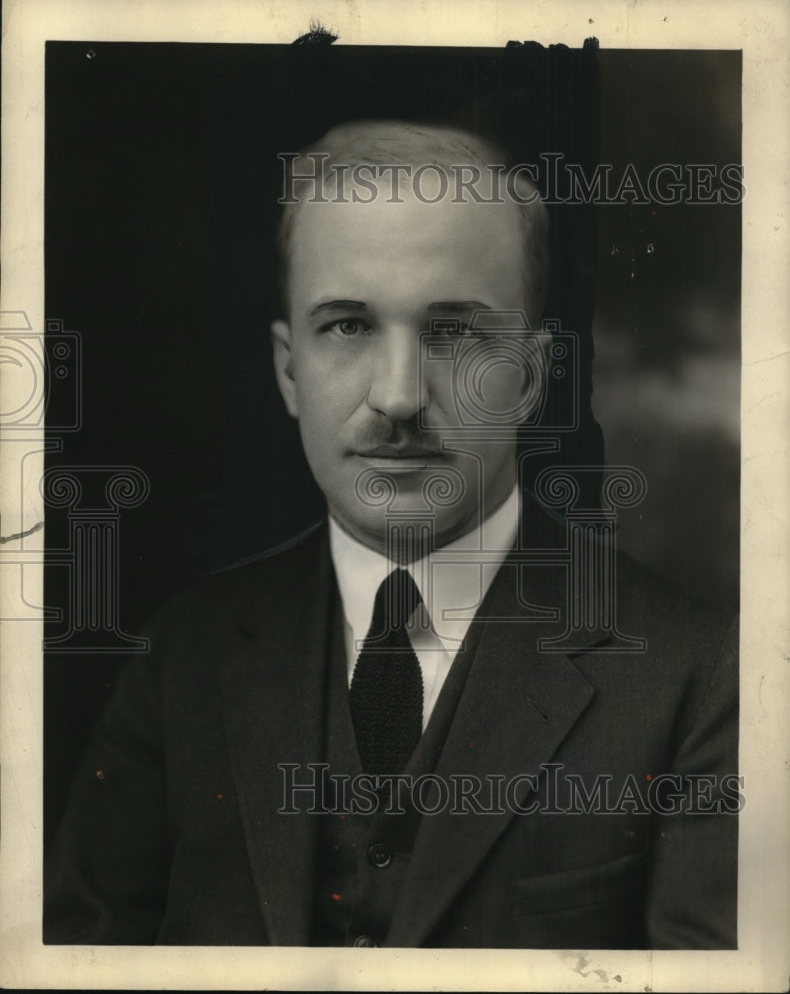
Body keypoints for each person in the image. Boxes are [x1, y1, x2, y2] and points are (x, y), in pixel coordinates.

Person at [44, 120, 738, 949]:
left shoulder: (699, 676)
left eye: (453, 331)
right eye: (347, 325)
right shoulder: (179, 658)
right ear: (288, 369)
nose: (400, 397)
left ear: (533, 376)